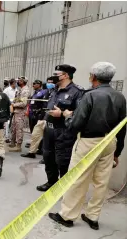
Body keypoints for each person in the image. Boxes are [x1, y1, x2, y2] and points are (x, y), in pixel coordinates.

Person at [49, 62, 126, 230]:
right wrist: (117, 152)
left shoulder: (89, 95)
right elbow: (122, 127)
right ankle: (92, 217)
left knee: (77, 179)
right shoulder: (120, 97)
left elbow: (76, 124)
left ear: (93, 76)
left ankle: (67, 216)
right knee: (101, 182)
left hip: (89, 142)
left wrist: (66, 115)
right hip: (109, 142)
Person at [37, 64, 85, 192]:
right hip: (49, 130)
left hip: (64, 131)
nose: (54, 77)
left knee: (63, 160)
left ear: (66, 75)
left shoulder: (77, 92)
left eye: (57, 74)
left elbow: (81, 114)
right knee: (48, 157)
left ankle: (64, 188)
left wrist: (62, 113)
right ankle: (51, 182)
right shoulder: (54, 90)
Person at [22, 77, 54, 159]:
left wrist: (42, 115)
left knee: (43, 135)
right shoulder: (42, 92)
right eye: (48, 82)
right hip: (35, 114)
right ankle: (34, 151)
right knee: (34, 133)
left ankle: (40, 151)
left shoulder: (46, 92)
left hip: (44, 116)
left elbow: (45, 105)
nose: (33, 85)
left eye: (35, 84)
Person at [9, 76, 30, 152]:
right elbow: (17, 99)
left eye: (19, 81)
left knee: (19, 129)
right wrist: (13, 103)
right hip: (16, 112)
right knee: (14, 128)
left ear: (23, 81)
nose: (17, 82)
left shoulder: (25, 90)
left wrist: (13, 105)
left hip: (21, 112)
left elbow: (23, 103)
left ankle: (18, 146)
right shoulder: (20, 90)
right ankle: (13, 143)